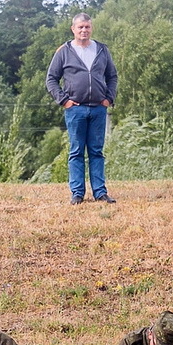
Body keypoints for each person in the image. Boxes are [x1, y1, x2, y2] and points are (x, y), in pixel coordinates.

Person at [46, 12, 118, 205]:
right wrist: (64, 101)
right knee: (76, 151)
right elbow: (51, 79)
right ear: (73, 29)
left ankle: (100, 193)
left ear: (91, 28)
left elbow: (112, 76)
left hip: (98, 109)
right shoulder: (64, 51)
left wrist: (109, 98)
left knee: (96, 151)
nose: (84, 30)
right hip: (75, 110)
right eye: (80, 27)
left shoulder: (102, 50)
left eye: (87, 27)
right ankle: (77, 193)